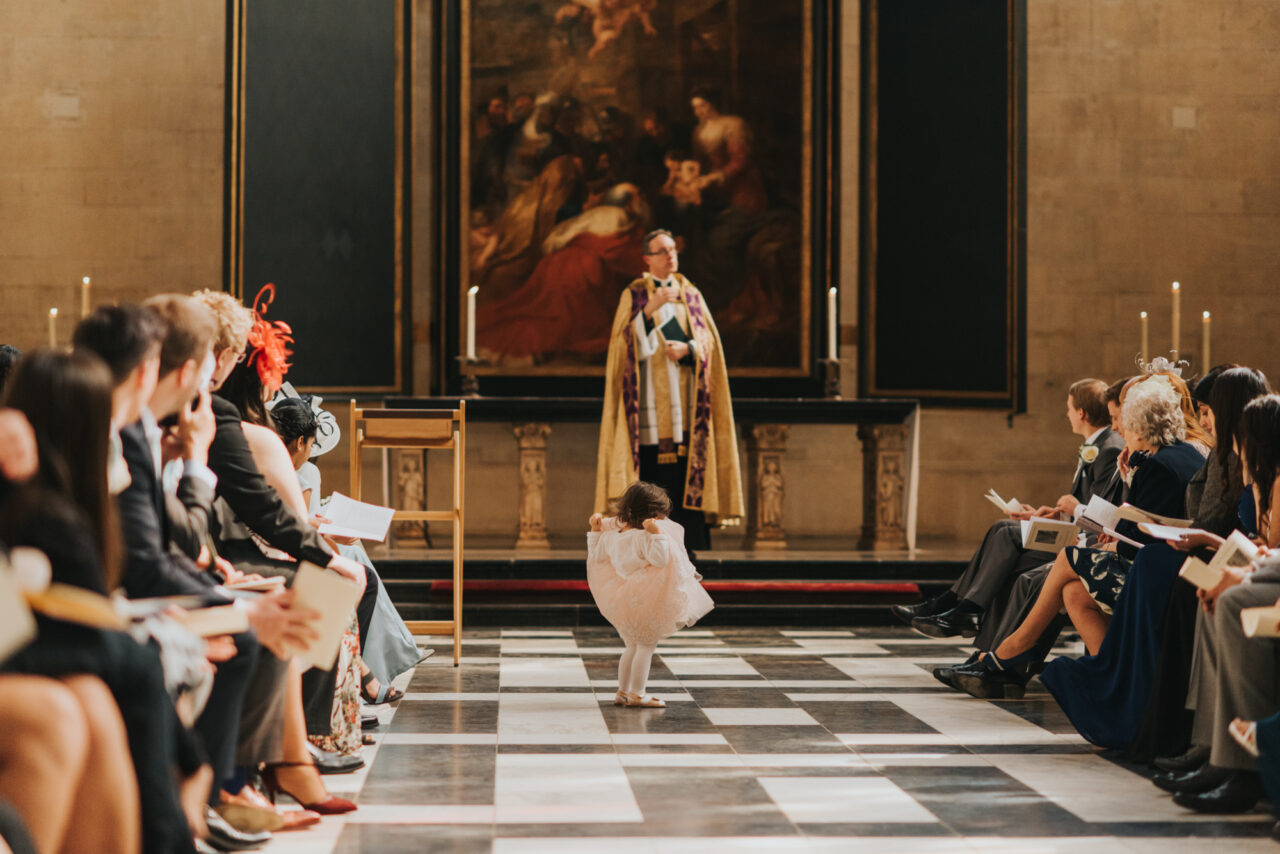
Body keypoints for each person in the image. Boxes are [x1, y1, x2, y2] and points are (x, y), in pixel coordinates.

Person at [1039, 366, 1268, 752]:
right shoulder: (1221, 454)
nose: (1203, 419)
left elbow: (1240, 528)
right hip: (1212, 551)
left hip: (1223, 557)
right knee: (1088, 582)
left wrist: (1199, 535)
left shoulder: (1238, 459)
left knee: (1142, 570)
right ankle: (1127, 689)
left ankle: (1171, 721)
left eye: (1208, 411)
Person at [953, 378, 1205, 699]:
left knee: (1068, 559)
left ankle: (1010, 651)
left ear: (1140, 428)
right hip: (1164, 567)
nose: (1121, 433)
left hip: (1153, 577)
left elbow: (1130, 542)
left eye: (1124, 426)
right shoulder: (1182, 455)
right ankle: (1109, 676)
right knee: (1073, 593)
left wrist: (1110, 535)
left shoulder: (1157, 467)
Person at [900, 378, 1124, 637]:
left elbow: (1100, 514)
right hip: (1078, 531)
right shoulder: (1099, 445)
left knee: (1006, 539)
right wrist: (1053, 513)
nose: (1067, 414)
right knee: (1003, 532)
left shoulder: (1107, 449)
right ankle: (961, 613)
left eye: (1069, 408)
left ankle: (962, 608)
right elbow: (1086, 504)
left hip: (1088, 542)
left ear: (1081, 413)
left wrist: (1072, 509)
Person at [596, 228, 744, 552]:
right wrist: (649, 311)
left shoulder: (690, 294)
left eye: (673, 249)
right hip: (647, 414)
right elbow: (621, 350)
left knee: (681, 480)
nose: (671, 256)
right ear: (647, 259)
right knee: (649, 482)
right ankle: (644, 547)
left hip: (685, 411)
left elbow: (710, 343)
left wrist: (688, 348)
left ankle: (687, 551)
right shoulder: (634, 295)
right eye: (662, 251)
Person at [587, 481, 713, 708]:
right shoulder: (644, 537)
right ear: (652, 514)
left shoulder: (611, 536)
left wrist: (595, 532)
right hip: (645, 597)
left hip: (621, 596)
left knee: (631, 647)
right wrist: (657, 535)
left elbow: (596, 557)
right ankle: (637, 693)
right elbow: (660, 559)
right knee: (645, 646)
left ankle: (623, 691)